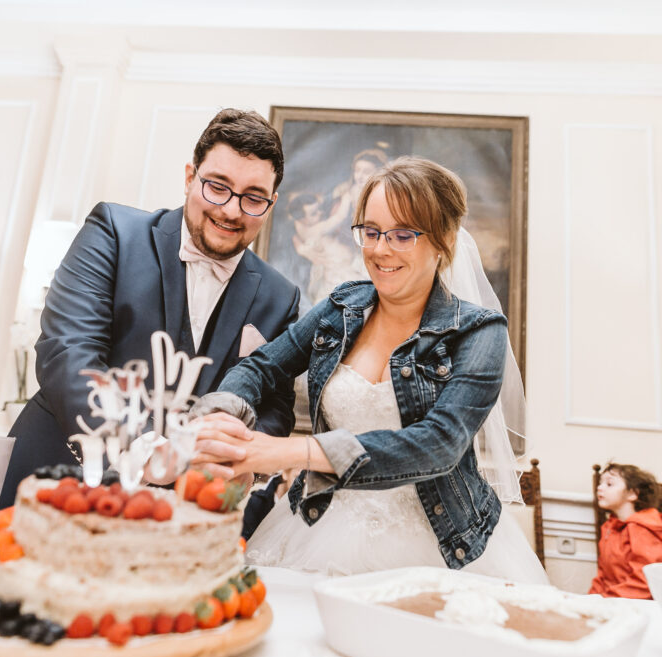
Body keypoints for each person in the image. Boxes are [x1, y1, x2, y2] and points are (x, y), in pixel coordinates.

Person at [191, 156, 546, 583]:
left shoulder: (478, 333)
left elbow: (437, 444)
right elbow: (264, 365)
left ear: (444, 240)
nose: (379, 250)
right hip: (319, 526)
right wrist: (222, 420)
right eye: (371, 232)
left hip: (441, 545)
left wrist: (289, 452)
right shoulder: (342, 307)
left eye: (402, 234)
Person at [0, 109, 301, 509]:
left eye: (253, 198)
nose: (230, 210)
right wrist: (148, 452)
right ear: (190, 177)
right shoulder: (114, 232)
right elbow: (68, 354)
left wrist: (232, 456)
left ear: (271, 202)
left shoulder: (281, 296)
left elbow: (274, 407)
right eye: (217, 186)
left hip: (182, 512)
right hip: (60, 480)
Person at [589, 463, 662, 599]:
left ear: (632, 494)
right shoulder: (609, 528)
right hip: (615, 602)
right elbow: (603, 577)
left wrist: (604, 600)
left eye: (609, 484)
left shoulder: (643, 528)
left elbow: (646, 583)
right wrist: (589, 600)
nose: (599, 488)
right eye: (600, 483)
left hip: (642, 605)